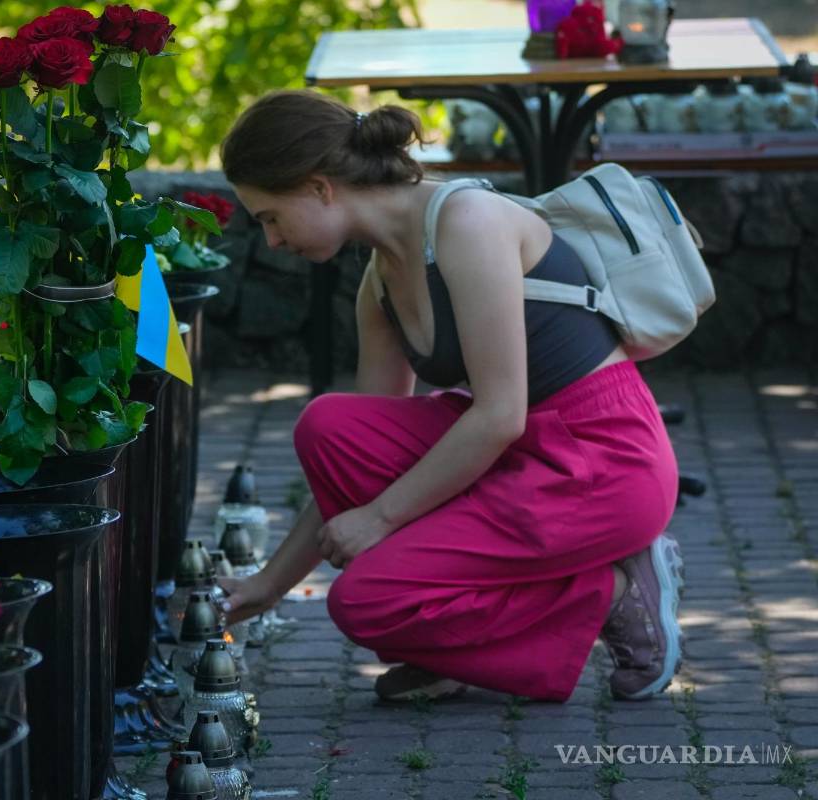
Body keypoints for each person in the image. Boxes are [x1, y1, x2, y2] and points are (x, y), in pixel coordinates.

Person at [215, 89, 684, 703]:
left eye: (270, 217)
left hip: (602, 463)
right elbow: (355, 473)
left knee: (365, 600)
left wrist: (381, 520)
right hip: (521, 454)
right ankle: (445, 642)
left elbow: (500, 415)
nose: (272, 240)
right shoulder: (379, 280)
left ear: (319, 188)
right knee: (329, 428)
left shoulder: (467, 223)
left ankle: (616, 593)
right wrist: (268, 585)